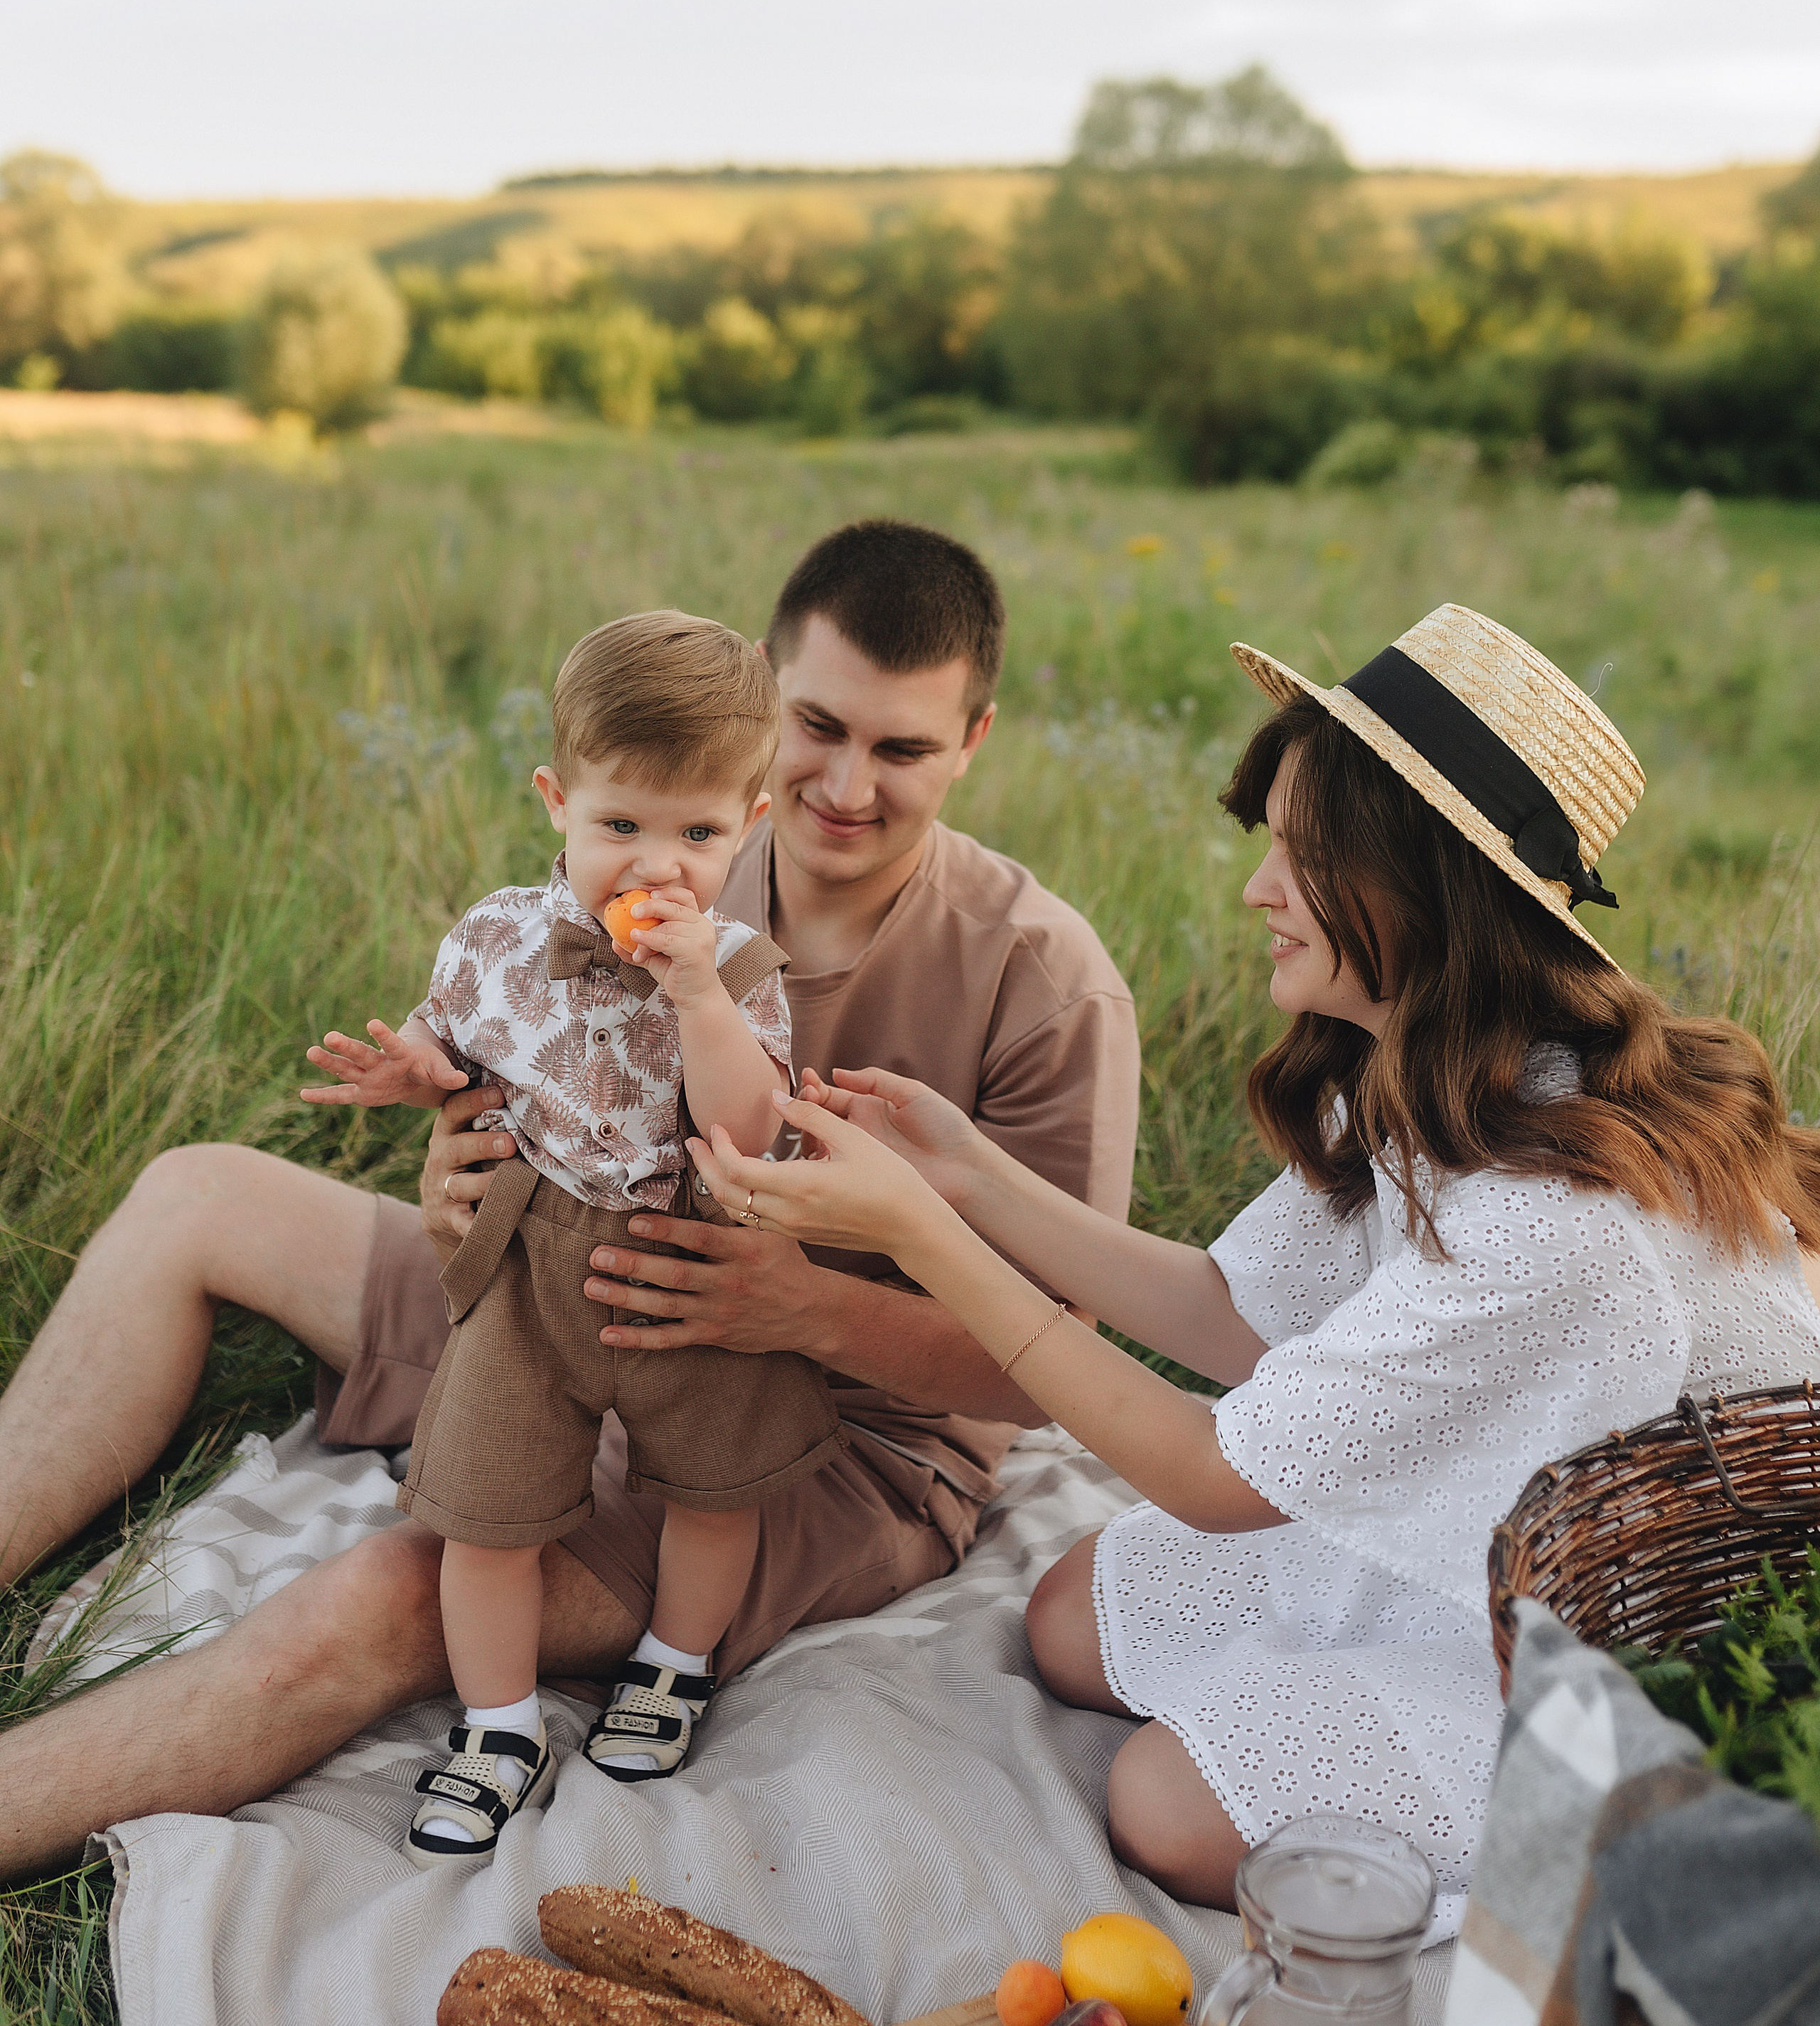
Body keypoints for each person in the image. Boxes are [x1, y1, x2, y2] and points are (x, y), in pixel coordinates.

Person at [0, 519, 1140, 1884]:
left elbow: (1058, 1370)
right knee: (196, 1191)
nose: (847, 784)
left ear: (974, 741)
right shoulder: (665, 837)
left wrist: (807, 1308)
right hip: (549, 1288)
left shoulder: (1044, 979)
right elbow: (510, 1067)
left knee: (394, 1591)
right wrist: (455, 1175)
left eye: (902, 748)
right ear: (768, 714)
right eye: (818, 729)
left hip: (832, 1436)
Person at [684, 602, 1820, 1911]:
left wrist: (918, 1235)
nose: (1256, 889)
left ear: (1418, 887)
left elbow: (1218, 1476)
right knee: (1066, 1616)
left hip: (1614, 1634)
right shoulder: (1428, 1068)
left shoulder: (1546, 1213)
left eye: (1299, 857)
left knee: (1163, 1806)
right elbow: (1233, 1312)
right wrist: (970, 1175)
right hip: (1486, 1511)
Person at [301, 610, 843, 1863]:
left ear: (750, 823)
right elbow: (455, 1044)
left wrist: (699, 992)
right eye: (621, 825)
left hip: (686, 1262)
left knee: (714, 1491)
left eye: (699, 832)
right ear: (558, 801)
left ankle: (672, 1665)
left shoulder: (746, 967)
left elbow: (751, 1129)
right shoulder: (496, 935)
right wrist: (412, 1071)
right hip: (532, 1264)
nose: (657, 862)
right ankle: (497, 1725)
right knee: (484, 1511)